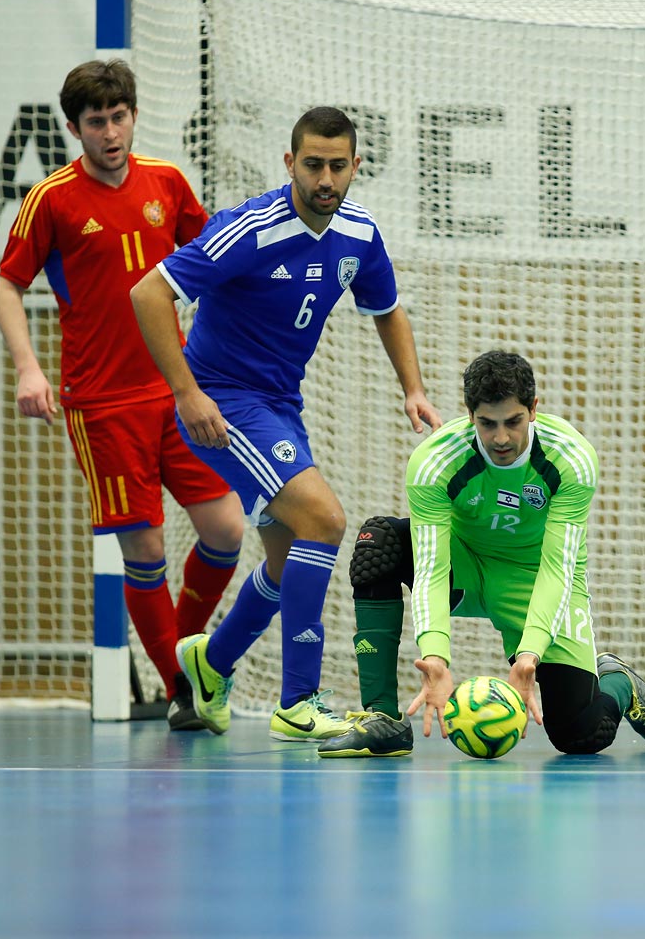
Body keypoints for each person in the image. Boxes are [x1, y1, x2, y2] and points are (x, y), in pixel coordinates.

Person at [130, 106, 443, 740]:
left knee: (283, 559)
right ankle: (298, 703)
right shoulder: (250, 228)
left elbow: (387, 308)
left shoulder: (358, 234)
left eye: (337, 166)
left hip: (279, 406)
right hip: (223, 401)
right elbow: (147, 293)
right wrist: (187, 394)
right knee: (324, 518)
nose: (325, 179)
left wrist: (413, 388)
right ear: (289, 163)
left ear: (356, 166)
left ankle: (209, 665)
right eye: (312, 165)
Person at [0, 59, 246, 732]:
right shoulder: (53, 199)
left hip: (177, 391)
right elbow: (8, 286)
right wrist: (28, 368)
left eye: (119, 116)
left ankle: (187, 668)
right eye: (95, 122)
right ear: (75, 128)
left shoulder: (167, 183)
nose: (110, 131)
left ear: (133, 115)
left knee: (226, 527)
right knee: (145, 551)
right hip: (101, 402)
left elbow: (217, 263)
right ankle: (183, 688)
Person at [317, 350, 645, 759]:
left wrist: (530, 652)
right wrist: (434, 655)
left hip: (534, 575)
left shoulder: (570, 458)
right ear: (470, 415)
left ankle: (617, 680)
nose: (501, 438)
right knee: (377, 542)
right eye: (487, 424)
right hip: (464, 567)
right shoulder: (436, 462)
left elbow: (558, 567)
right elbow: (433, 567)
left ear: (534, 410)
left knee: (581, 736)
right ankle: (382, 717)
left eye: (513, 422)